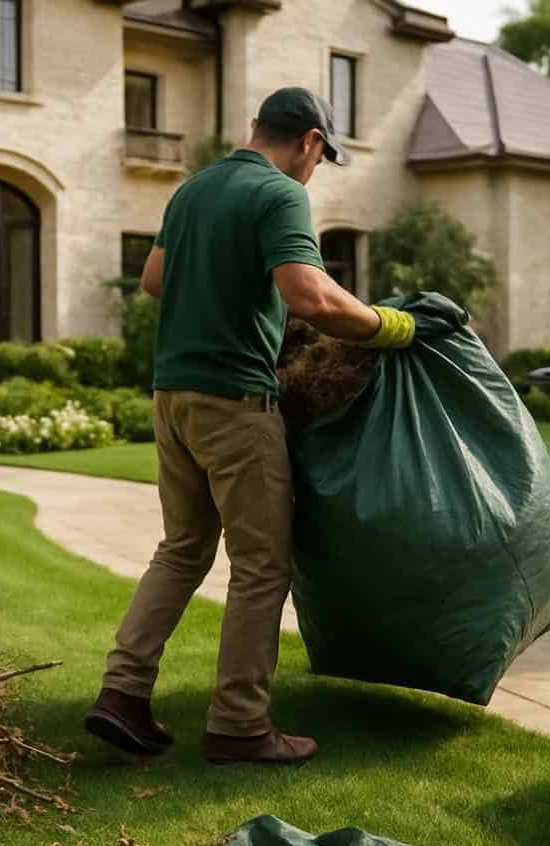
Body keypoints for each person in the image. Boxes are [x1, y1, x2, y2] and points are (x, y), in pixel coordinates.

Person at [83, 86, 417, 767]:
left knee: (181, 549)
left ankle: (121, 693)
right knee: (262, 566)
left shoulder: (194, 190)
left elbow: (154, 279)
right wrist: (390, 325)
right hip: (235, 404)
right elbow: (311, 295)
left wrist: (236, 296)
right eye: (321, 159)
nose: (315, 172)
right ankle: (239, 723)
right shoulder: (281, 195)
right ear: (310, 142)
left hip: (172, 397)